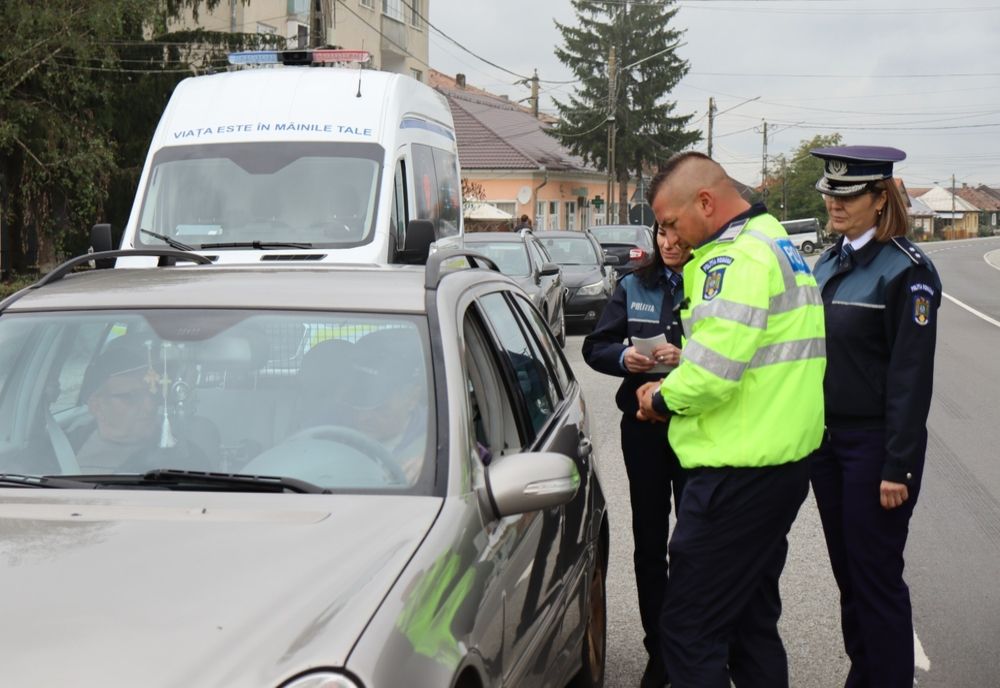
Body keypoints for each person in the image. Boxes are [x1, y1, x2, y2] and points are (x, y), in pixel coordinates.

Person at [635, 151, 826, 687]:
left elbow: (713, 373)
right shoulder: (776, 243)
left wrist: (659, 399)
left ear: (705, 202)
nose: (671, 238)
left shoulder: (734, 259)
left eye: (672, 223)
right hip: (778, 465)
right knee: (750, 622)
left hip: (737, 475)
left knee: (689, 629)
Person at [807, 145, 941, 688]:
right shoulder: (827, 261)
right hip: (827, 445)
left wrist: (898, 466)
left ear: (880, 198)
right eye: (830, 193)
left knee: (876, 577)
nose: (834, 203)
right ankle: (865, 674)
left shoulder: (907, 273)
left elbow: (911, 378)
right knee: (849, 576)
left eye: (848, 194)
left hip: (873, 448)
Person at [582, 220, 690, 688]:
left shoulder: (714, 282)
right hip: (643, 430)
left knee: (693, 544)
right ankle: (659, 648)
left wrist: (685, 358)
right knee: (650, 541)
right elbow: (594, 347)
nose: (668, 243)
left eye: (677, 233)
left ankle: (695, 642)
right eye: (661, 233)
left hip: (696, 428)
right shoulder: (633, 284)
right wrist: (626, 357)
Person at [76, 337, 213, 473]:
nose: (150, 407)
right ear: (97, 406)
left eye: (152, 394)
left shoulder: (186, 462)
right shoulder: (64, 448)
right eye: (130, 397)